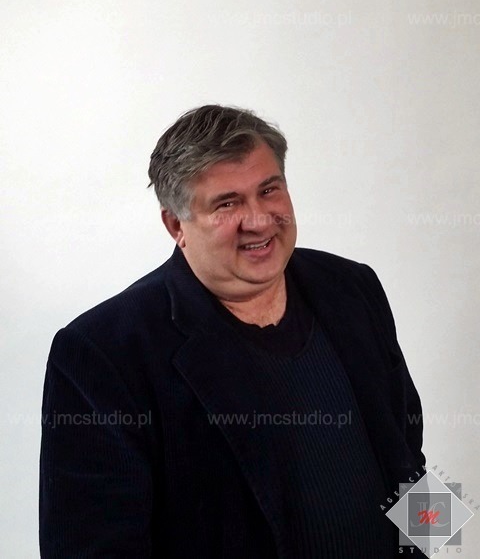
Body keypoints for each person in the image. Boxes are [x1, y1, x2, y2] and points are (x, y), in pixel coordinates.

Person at [39, 104, 426, 558]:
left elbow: (408, 447)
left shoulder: (353, 286)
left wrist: (432, 545)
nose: (258, 220)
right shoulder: (102, 352)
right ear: (176, 224)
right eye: (227, 203)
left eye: (269, 190)